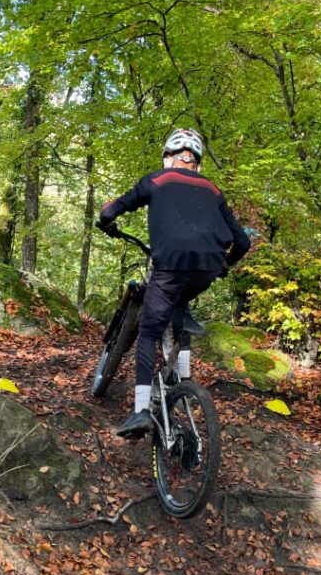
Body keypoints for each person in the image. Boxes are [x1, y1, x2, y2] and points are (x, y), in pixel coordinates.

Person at [98, 128, 251, 438]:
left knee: (148, 332)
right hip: (207, 268)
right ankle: (184, 379)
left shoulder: (157, 179)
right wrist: (224, 265)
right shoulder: (213, 190)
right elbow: (243, 242)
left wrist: (106, 220)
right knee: (180, 305)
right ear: (197, 163)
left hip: (170, 266)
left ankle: (140, 411)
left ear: (168, 158)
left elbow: (112, 209)